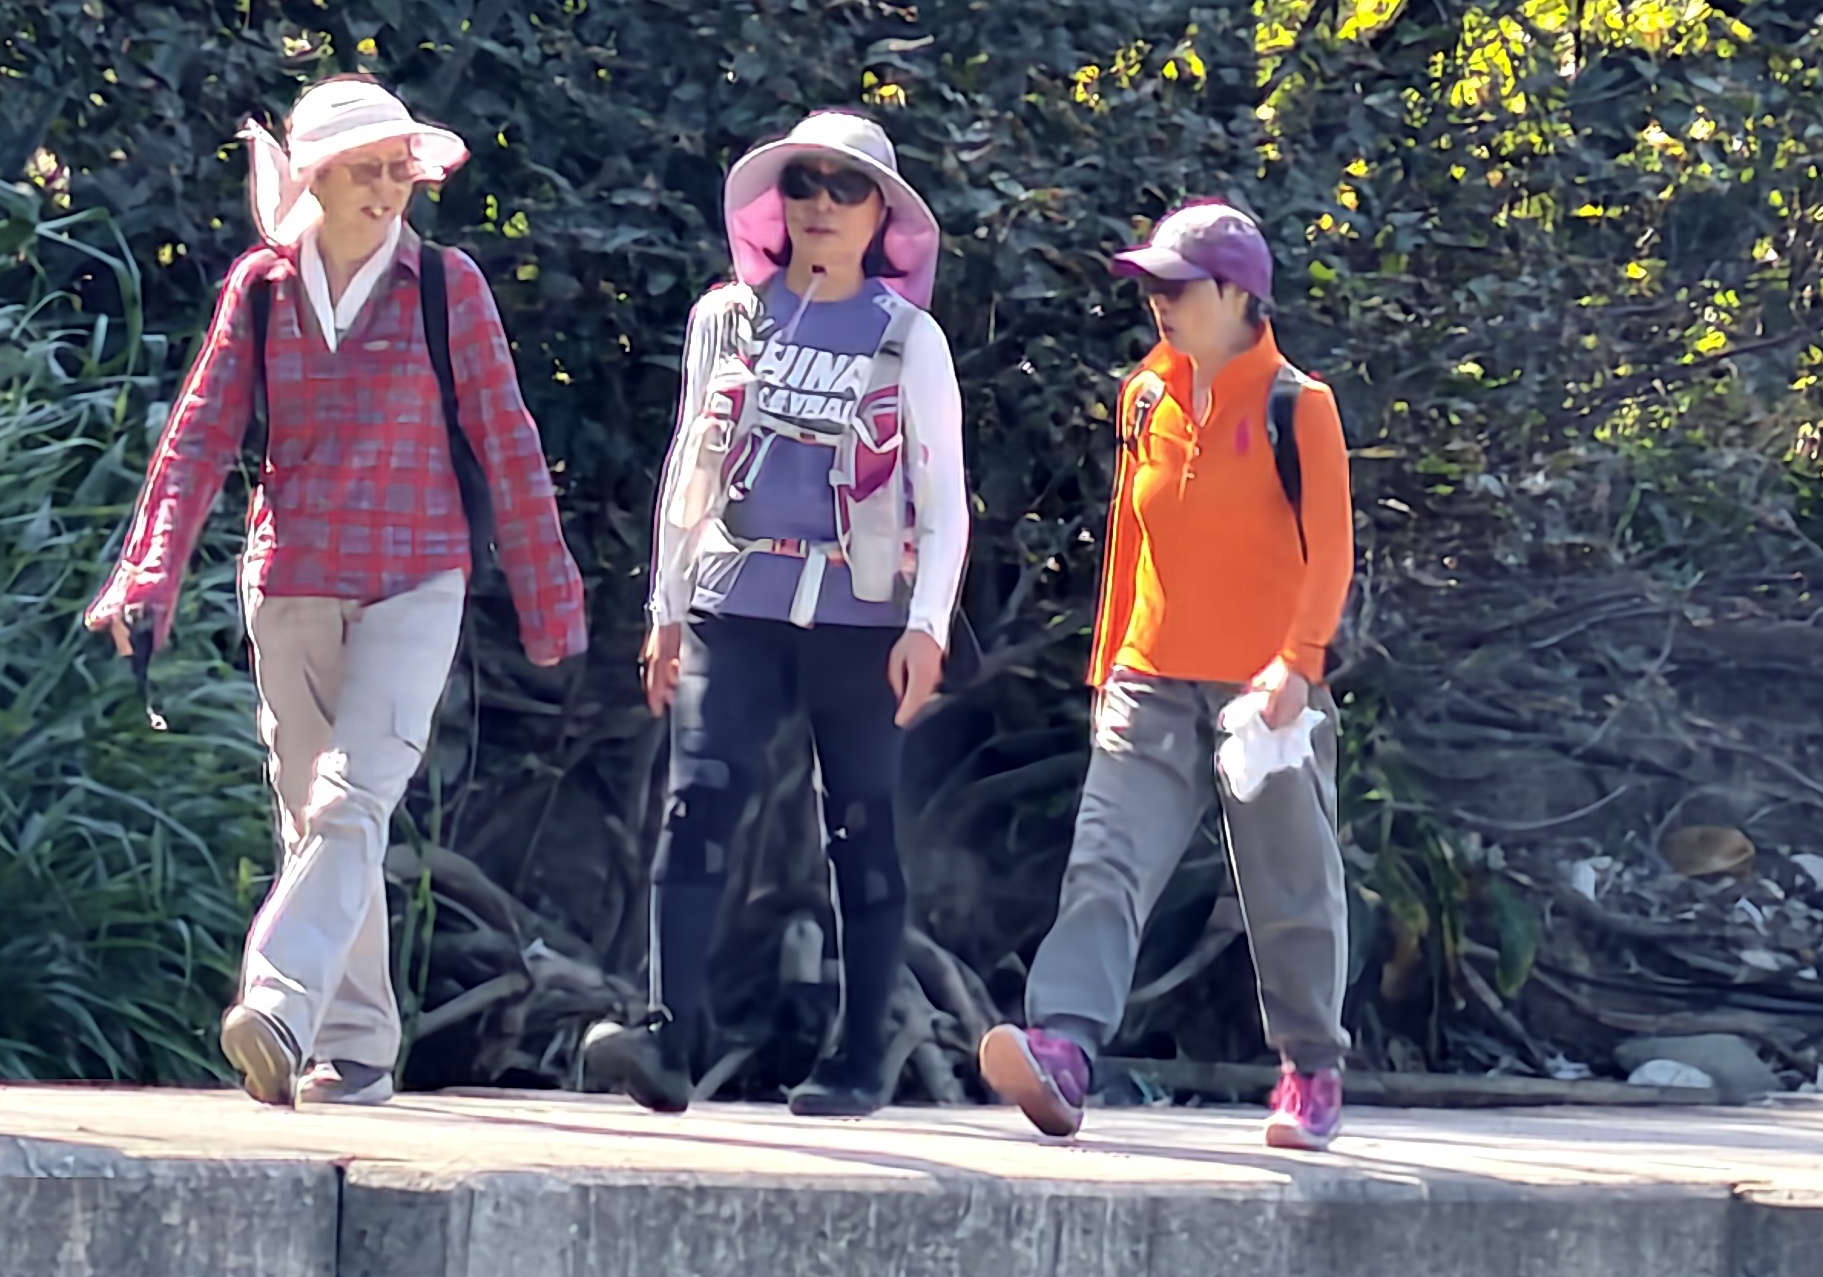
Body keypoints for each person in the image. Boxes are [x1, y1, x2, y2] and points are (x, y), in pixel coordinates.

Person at [87, 74, 589, 1110]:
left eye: (400, 169)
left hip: (418, 580)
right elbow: (198, 441)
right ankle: (355, 1052)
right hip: (293, 580)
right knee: (310, 813)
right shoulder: (261, 289)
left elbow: (509, 443)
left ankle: (276, 1005)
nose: (388, 188)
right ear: (314, 177)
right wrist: (149, 575)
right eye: (366, 169)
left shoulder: (446, 287)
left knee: (351, 799)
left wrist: (552, 603)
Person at [581, 109, 969, 1119]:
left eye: (847, 188)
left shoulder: (909, 337)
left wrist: (928, 624)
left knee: (860, 824)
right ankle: (668, 1036)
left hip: (861, 615)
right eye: (803, 183)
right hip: (734, 602)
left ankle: (858, 1058)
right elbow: (689, 462)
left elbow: (942, 494)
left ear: (882, 213)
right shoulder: (728, 317)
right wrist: (665, 606)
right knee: (698, 797)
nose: (821, 206)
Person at [975, 199, 1358, 1151]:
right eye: (1151, 285)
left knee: (1288, 882)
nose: (1158, 301)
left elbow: (1332, 554)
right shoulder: (1145, 395)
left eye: (1177, 286)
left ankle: (1310, 1070)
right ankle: (1063, 1048)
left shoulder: (1299, 406)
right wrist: (1108, 665)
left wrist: (1300, 666)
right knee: (1105, 862)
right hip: (1148, 677)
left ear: (1237, 293)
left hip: (1265, 695)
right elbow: (1131, 545)